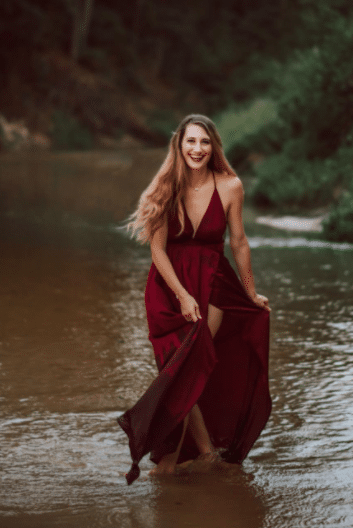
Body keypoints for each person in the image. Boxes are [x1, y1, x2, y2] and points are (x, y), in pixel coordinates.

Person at [118, 114, 271, 484]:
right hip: (168, 290)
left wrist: (249, 292)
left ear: (213, 146)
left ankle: (179, 457)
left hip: (214, 285)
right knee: (178, 367)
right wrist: (183, 296)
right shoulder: (164, 187)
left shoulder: (231, 186)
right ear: (179, 145)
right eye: (191, 141)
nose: (197, 149)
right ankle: (199, 454)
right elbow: (157, 251)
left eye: (204, 142)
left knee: (192, 363)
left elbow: (238, 242)